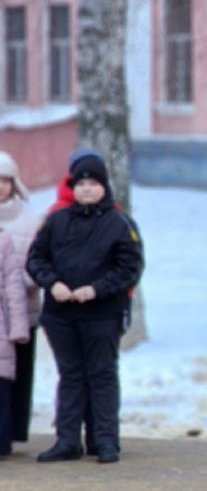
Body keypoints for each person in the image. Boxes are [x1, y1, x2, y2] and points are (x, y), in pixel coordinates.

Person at [25, 153, 144, 464]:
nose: (87, 189)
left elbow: (130, 267)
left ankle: (105, 441)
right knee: (71, 375)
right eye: (81, 183)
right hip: (61, 314)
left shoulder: (119, 223)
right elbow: (36, 258)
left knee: (102, 375)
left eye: (93, 183)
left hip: (103, 313)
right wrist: (53, 283)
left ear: (104, 186)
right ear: (73, 187)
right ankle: (67, 440)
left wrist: (96, 289)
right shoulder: (57, 220)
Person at [0, 151, 41, 450]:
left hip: (23, 309)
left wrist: (15, 284)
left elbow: (40, 262)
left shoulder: (31, 221)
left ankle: (13, 432)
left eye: (5, 180)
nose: (0, 187)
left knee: (19, 374)